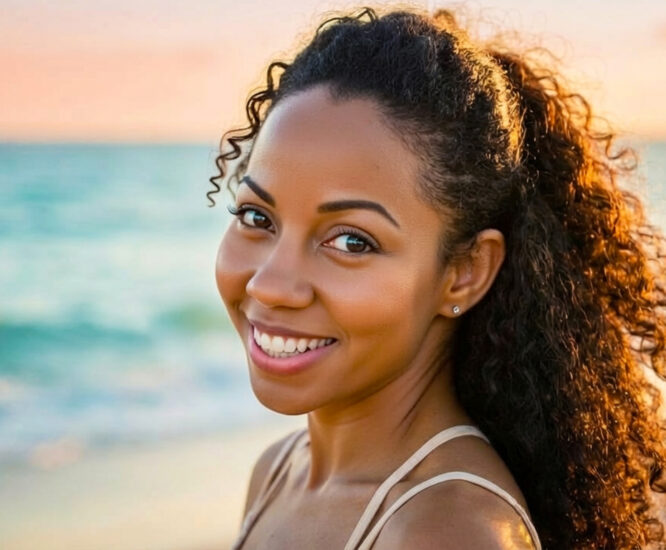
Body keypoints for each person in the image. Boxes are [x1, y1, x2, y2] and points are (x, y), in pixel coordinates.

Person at [208, 6, 666, 549]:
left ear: (464, 273)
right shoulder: (277, 472)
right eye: (257, 218)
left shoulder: (451, 531)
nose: (269, 284)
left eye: (352, 240)